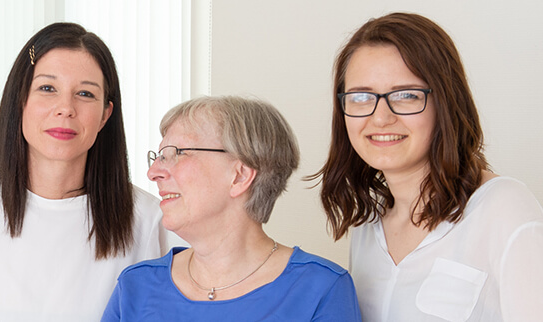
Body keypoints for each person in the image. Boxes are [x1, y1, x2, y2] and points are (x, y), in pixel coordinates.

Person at [310, 12, 543, 321]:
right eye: (361, 97)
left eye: (406, 95)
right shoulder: (367, 228)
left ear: (446, 102)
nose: (380, 118)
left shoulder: (503, 209)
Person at [0, 22, 165, 321]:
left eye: (86, 94)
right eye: (47, 88)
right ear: (20, 100)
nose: (65, 108)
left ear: (106, 114)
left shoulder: (149, 220)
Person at [102, 96, 361, 321]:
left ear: (239, 176)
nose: (153, 172)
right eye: (158, 156)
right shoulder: (136, 286)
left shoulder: (321, 290)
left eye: (175, 153)